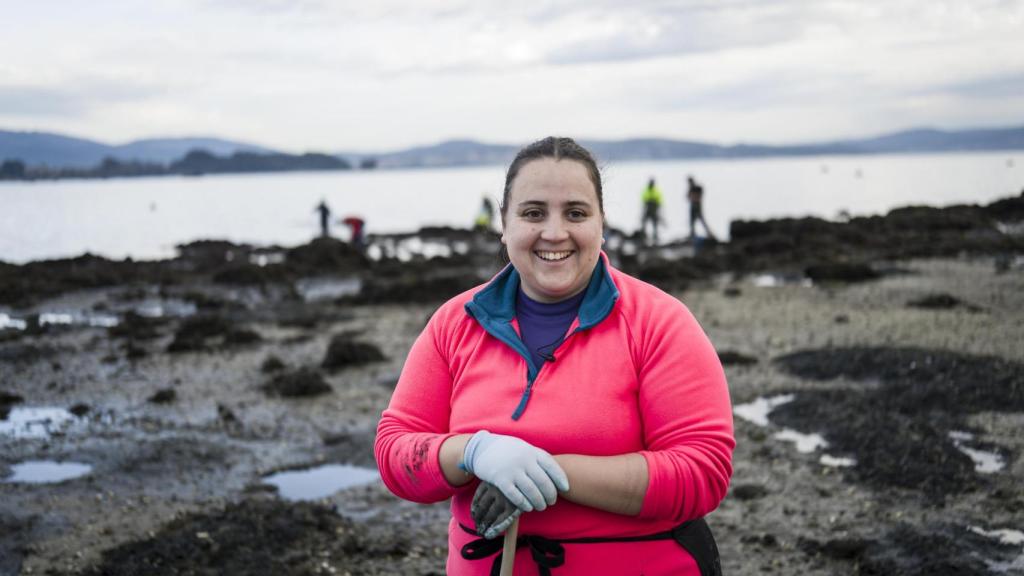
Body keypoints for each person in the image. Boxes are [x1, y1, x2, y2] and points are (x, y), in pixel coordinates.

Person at [375, 137, 733, 575]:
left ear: (601, 223)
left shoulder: (659, 322)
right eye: (533, 213)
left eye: (576, 213)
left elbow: (702, 471)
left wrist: (549, 474)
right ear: (504, 224)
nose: (555, 232)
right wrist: (473, 452)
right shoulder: (455, 323)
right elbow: (394, 451)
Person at [686, 176, 716, 241]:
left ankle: (710, 234)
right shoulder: (691, 189)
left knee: (701, 221)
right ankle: (692, 234)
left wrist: (694, 196)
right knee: (692, 222)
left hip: (697, 206)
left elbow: (697, 196)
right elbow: (688, 197)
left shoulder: (697, 188)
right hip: (693, 206)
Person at [640, 177, 663, 244]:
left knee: (654, 223)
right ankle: (643, 236)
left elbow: (659, 200)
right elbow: (643, 199)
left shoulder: (656, 191)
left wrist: (657, 207)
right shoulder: (646, 191)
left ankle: (655, 236)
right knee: (644, 222)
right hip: (648, 209)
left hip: (653, 209)